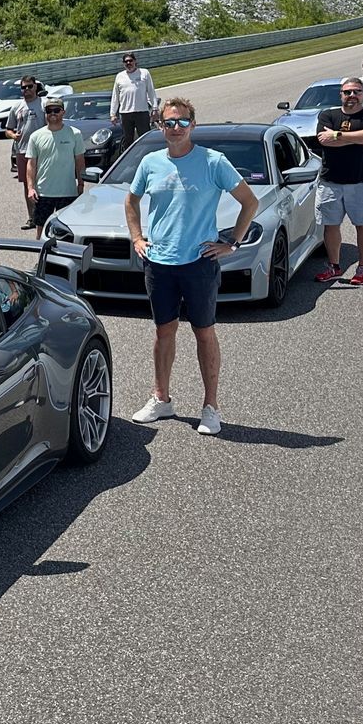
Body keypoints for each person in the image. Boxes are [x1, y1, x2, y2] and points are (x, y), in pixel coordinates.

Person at [125, 98, 260, 436]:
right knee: (163, 331)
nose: (175, 128)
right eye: (169, 123)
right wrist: (137, 238)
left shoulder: (213, 162)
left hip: (199, 262)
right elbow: (131, 200)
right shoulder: (151, 162)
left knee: (204, 332)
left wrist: (232, 243)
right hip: (159, 262)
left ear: (192, 125)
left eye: (182, 122)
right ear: (160, 126)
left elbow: (250, 201)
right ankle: (161, 398)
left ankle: (211, 407)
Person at [313, 78, 363, 286]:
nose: (352, 95)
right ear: (341, 95)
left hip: (362, 180)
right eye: (347, 92)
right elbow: (323, 141)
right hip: (331, 181)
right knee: (330, 225)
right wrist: (358, 139)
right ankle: (334, 266)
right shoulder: (328, 115)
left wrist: (337, 135)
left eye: (356, 92)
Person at [24, 98, 87, 226]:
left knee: (67, 229)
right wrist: (30, 188)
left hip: (68, 192)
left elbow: (79, 161)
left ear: (63, 112)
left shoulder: (75, 134)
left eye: (56, 110)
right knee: (41, 228)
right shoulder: (35, 136)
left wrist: (81, 184)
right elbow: (31, 164)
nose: (52, 113)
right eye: (49, 110)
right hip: (43, 192)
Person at [5, 77, 47, 227]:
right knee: (28, 185)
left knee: (44, 183)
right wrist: (13, 135)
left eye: (29, 87)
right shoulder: (17, 107)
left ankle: (45, 215)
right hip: (23, 150)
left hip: (43, 150)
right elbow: (8, 129)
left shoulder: (44, 104)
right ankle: (32, 217)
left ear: (36, 87)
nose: (27, 90)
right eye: (24, 88)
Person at [110, 51, 158, 151]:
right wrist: (113, 114)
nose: (128, 63)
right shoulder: (119, 76)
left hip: (141, 112)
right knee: (128, 140)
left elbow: (151, 91)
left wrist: (155, 108)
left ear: (135, 61)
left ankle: (148, 155)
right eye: (126, 61)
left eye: (130, 61)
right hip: (125, 114)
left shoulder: (144, 73)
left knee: (145, 138)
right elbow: (115, 96)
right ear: (123, 63)